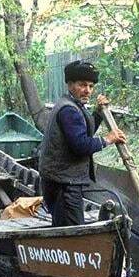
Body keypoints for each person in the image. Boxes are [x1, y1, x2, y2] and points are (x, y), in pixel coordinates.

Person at [39, 60, 127, 226]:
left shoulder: (71, 105)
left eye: (91, 86)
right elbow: (80, 146)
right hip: (64, 184)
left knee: (64, 227)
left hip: (62, 180)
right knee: (70, 231)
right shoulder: (69, 110)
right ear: (70, 84)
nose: (87, 90)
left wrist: (98, 114)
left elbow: (82, 132)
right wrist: (107, 139)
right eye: (82, 85)